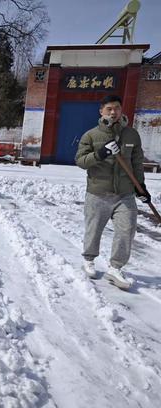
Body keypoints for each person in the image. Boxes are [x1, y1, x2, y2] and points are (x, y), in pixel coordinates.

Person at [75, 94, 151, 290]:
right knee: (94, 230)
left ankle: (115, 268)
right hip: (98, 192)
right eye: (109, 108)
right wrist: (101, 153)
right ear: (101, 111)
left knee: (127, 230)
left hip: (124, 194)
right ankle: (89, 259)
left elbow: (136, 163)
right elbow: (81, 161)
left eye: (117, 108)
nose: (113, 112)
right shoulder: (91, 135)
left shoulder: (131, 135)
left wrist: (141, 188)